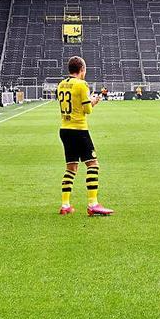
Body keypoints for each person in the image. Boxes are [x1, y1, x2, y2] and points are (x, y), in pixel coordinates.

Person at [57, 56, 114, 216]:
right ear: (82, 69)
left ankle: (65, 204)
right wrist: (93, 101)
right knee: (93, 164)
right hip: (79, 129)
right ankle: (93, 204)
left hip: (65, 129)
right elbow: (87, 110)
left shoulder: (61, 84)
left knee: (71, 167)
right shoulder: (82, 85)